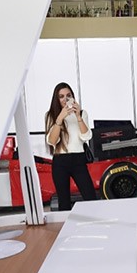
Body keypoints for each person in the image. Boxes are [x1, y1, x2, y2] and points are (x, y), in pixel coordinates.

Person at [45, 82, 97, 210]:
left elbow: (86, 136)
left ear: (72, 97)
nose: (65, 99)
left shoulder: (82, 113)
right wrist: (60, 119)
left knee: (90, 197)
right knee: (64, 202)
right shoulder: (51, 115)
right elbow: (52, 141)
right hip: (60, 161)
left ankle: (95, 220)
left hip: (78, 159)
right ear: (57, 99)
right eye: (61, 96)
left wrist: (78, 116)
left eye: (68, 95)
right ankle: (66, 223)